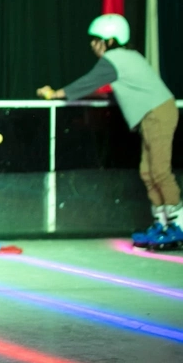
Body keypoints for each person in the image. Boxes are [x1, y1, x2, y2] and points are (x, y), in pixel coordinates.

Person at [37, 13, 180, 249]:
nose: (93, 45)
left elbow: (87, 82)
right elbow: (107, 88)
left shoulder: (114, 58)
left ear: (110, 40)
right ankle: (162, 223)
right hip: (152, 115)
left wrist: (55, 93)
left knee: (160, 171)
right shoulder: (126, 57)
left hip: (158, 114)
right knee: (147, 172)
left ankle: (178, 226)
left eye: (96, 40)